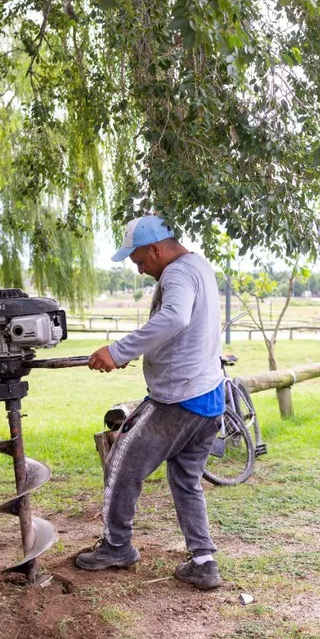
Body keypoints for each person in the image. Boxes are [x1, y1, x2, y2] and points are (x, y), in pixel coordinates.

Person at [76, 215, 225, 590]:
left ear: (156, 249)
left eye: (140, 261)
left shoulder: (176, 273)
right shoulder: (199, 266)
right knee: (186, 482)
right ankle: (203, 562)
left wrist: (118, 350)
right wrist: (138, 353)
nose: (141, 270)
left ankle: (117, 547)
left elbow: (175, 317)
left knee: (121, 463)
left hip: (179, 400)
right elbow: (184, 328)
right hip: (209, 398)